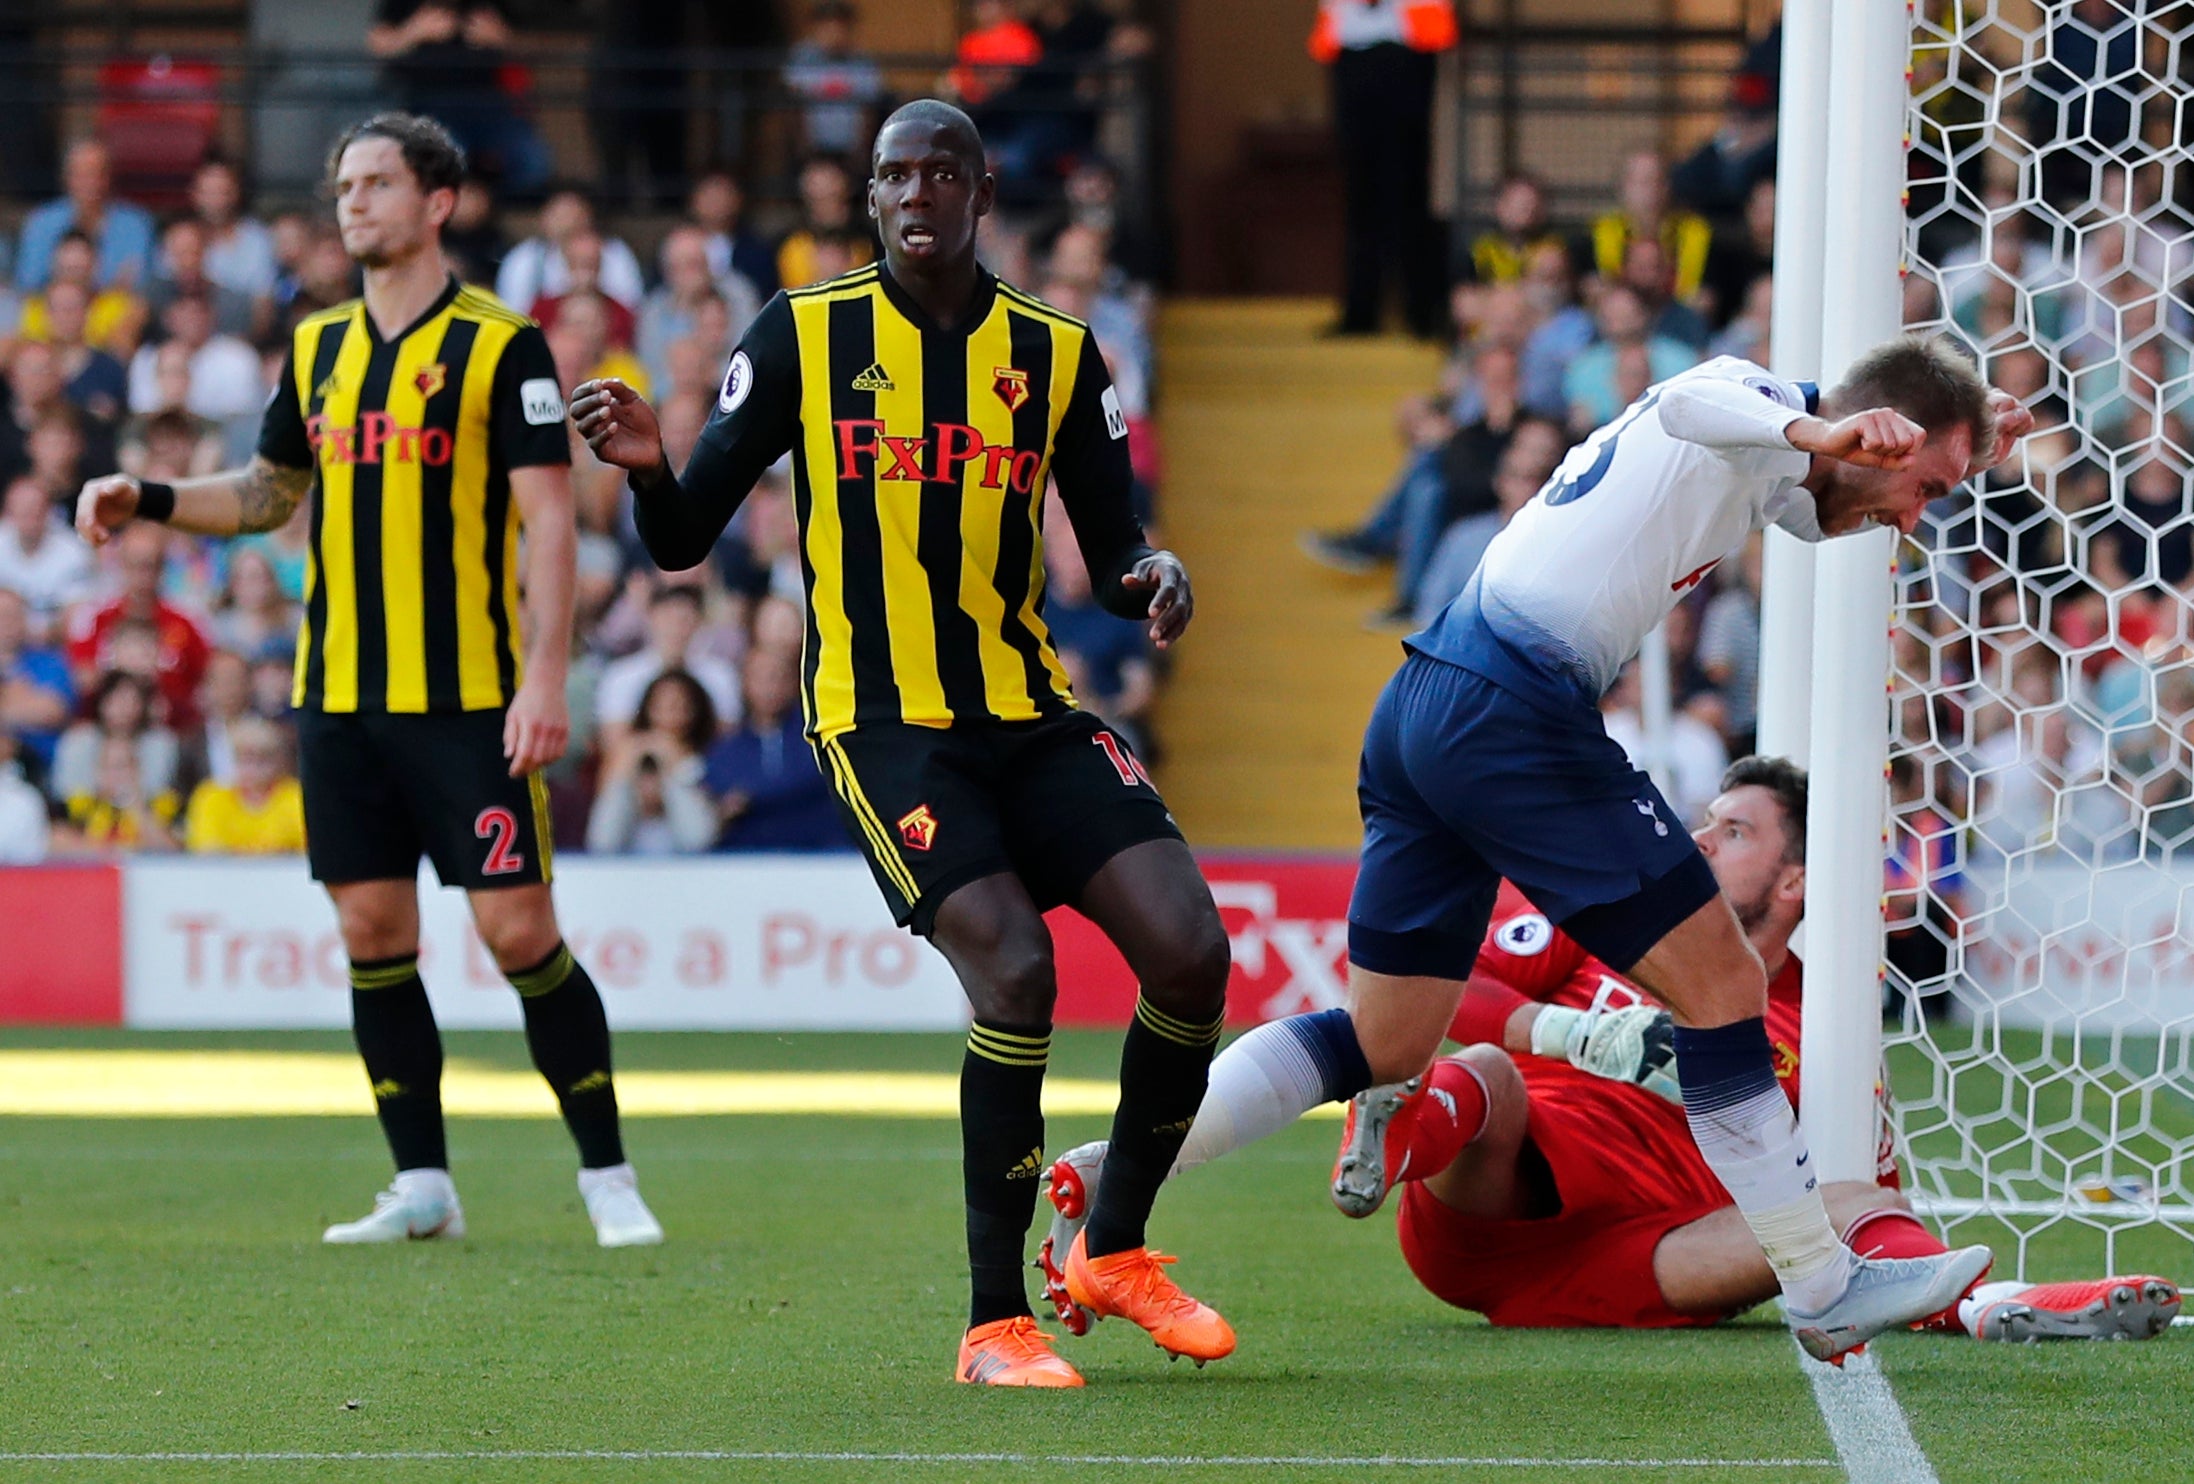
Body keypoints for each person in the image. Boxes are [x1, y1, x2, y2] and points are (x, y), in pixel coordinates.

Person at [1045, 337, 2038, 1366]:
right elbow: (1695, 396)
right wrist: (1821, 425)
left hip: (1426, 701)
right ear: (1876, 434)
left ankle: (1117, 1173)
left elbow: (1816, 504)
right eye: (1923, 486)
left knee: (1384, 1041)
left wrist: (1946, 435)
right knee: (1723, 986)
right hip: (1513, 705)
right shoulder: (1749, 398)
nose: (1915, 517)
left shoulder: (1774, 468)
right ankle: (1822, 1281)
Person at [574, 99, 1233, 1387]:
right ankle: (996, 1321)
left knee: (1191, 949)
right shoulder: (803, 336)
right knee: (1018, 967)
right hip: (881, 725)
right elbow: (678, 536)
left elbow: (1108, 554)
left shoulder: (1055, 355)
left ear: (983, 194)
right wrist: (653, 468)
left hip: (1027, 708)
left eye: (938, 171)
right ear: (868, 199)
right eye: (890, 174)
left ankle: (1116, 1245)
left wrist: (1153, 571)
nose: (912, 192)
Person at [75, 112, 662, 1251]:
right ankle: (424, 1183)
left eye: (376, 182)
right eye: (344, 184)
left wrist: (544, 678)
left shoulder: (505, 346)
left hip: (469, 699)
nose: (352, 202)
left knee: (518, 930)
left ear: (436, 203)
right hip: (340, 695)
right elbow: (262, 493)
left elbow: (550, 526)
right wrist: (145, 492)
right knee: (372, 926)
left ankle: (606, 1171)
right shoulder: (318, 347)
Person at [1043, 758, 2181, 1344]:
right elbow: (1451, 988)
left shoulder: (1822, 1022)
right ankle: (1399, 1118)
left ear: (1794, 883)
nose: (1695, 837)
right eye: (1702, 818)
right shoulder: (1606, 927)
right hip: (1489, 1198)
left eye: (1730, 830)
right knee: (1481, 1071)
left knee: (1836, 1197)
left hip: (1651, 1255)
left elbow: (1861, 1182)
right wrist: (1577, 1029)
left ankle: (2001, 1304)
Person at [701, 643, 842, 851]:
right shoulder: (726, 747)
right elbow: (718, 789)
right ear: (744, 683)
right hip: (747, 859)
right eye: (760, 678)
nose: (770, 686)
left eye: (777, 676)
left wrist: (752, 798)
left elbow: (812, 782)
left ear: (795, 682)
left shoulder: (819, 736)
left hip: (818, 855)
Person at [585, 668, 718, 855]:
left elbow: (698, 839)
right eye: (662, 705)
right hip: (624, 860)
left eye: (681, 706)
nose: (671, 714)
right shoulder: (629, 751)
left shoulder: (709, 757)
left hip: (687, 862)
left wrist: (675, 768)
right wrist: (624, 770)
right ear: (648, 708)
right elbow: (602, 841)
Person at [13, 140, 157, 292]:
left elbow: (140, 286)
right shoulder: (41, 222)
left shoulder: (135, 224)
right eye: (81, 174)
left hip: (116, 313)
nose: (90, 182)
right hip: (53, 313)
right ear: (66, 177)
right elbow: (29, 283)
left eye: (98, 173)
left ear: (109, 177)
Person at [183, 715, 306, 854]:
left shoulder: (296, 797)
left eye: (263, 759)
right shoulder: (211, 797)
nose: (253, 768)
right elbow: (206, 849)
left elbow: (305, 848)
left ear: (280, 761)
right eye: (245, 759)